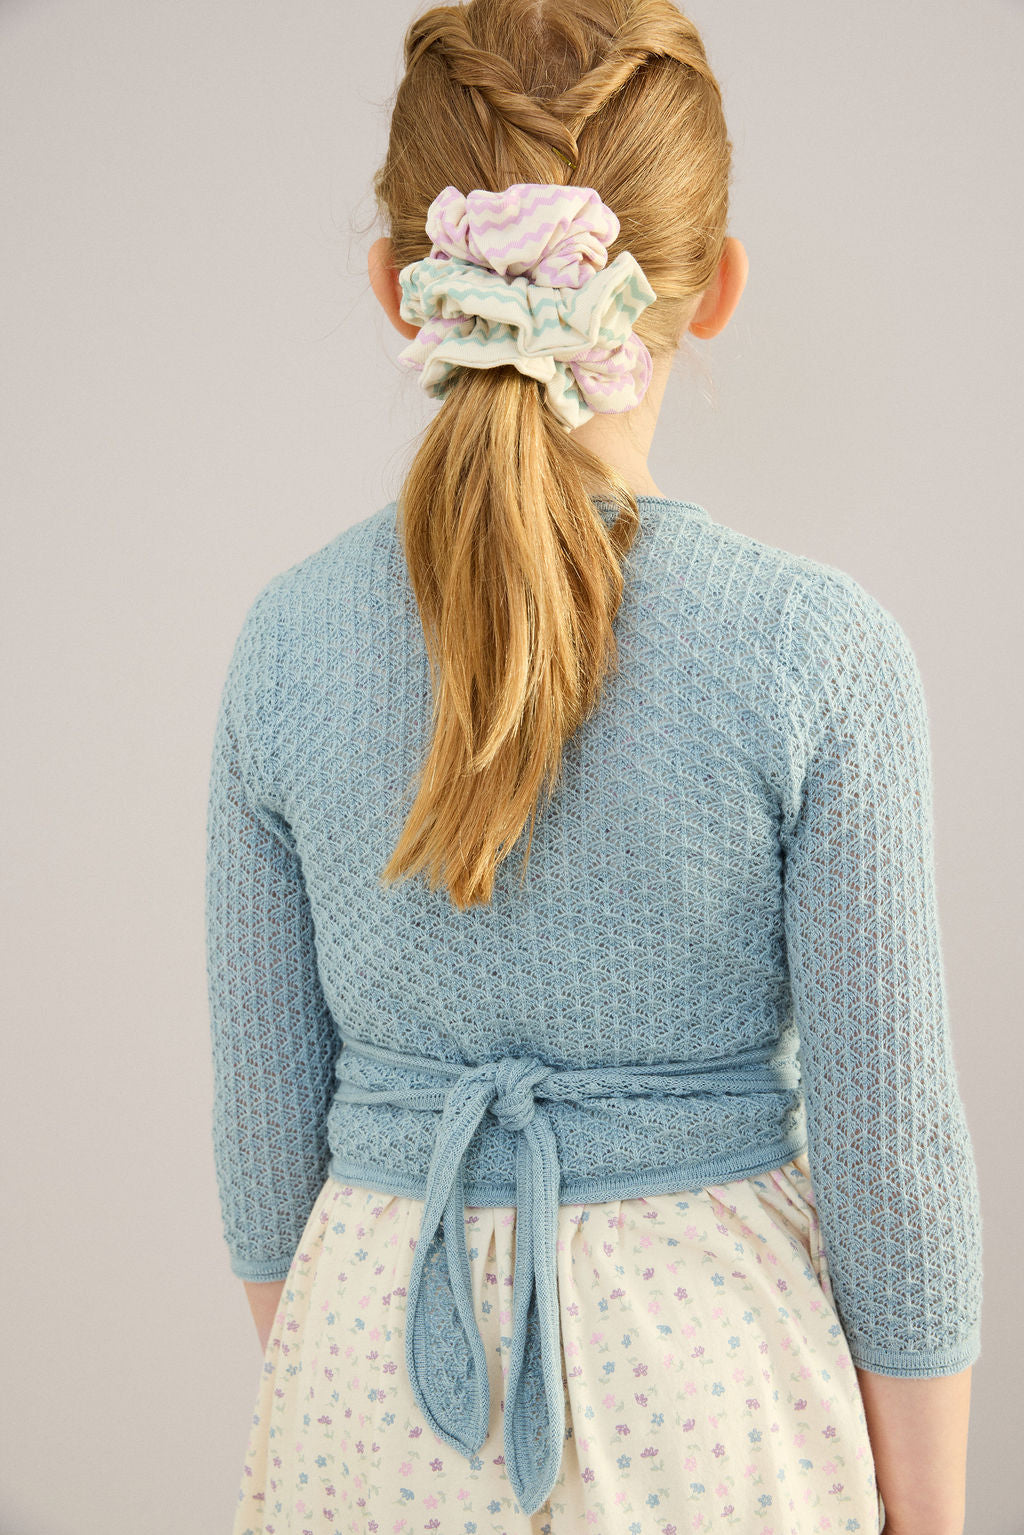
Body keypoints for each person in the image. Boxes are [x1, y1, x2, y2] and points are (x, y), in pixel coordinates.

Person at [205, 2, 982, 1532]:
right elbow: (892, 1159)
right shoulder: (815, 651)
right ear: (716, 287)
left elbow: (261, 1142)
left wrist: (348, 1398)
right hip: (708, 1383)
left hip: (370, 1370)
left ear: (400, 287)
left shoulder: (283, 644)